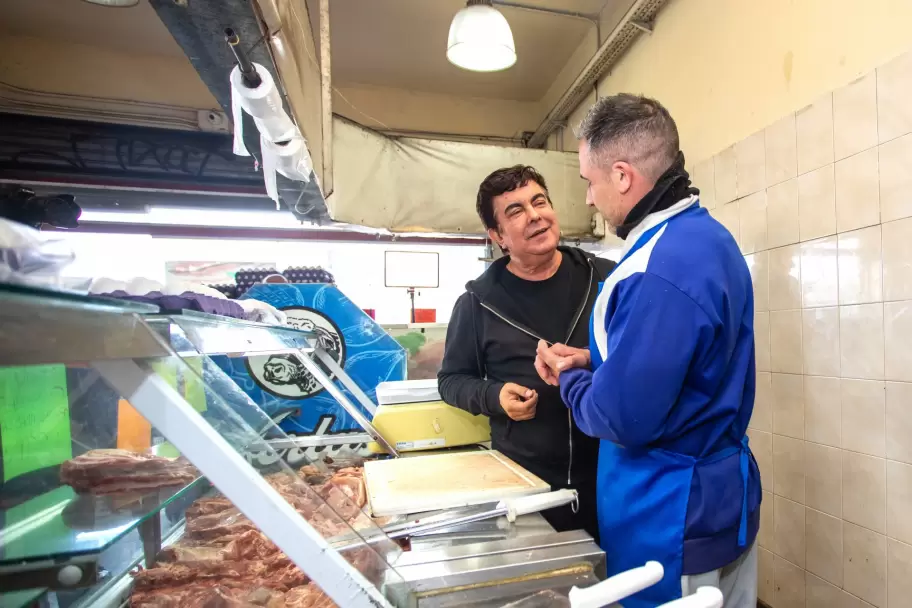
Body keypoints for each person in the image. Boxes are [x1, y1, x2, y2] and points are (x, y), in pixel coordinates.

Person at [534, 94, 761, 607]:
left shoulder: (656, 268)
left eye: (588, 183)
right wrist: (593, 359)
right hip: (723, 497)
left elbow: (622, 417)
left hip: (670, 515)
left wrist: (569, 379)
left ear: (621, 176)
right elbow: (697, 355)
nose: (589, 200)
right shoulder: (708, 238)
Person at [438, 165, 615, 541]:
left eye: (539, 202)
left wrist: (588, 357)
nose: (534, 215)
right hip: (527, 488)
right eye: (515, 211)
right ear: (498, 236)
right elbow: (451, 380)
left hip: (612, 476)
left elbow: (637, 357)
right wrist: (493, 396)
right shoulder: (477, 303)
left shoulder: (605, 278)